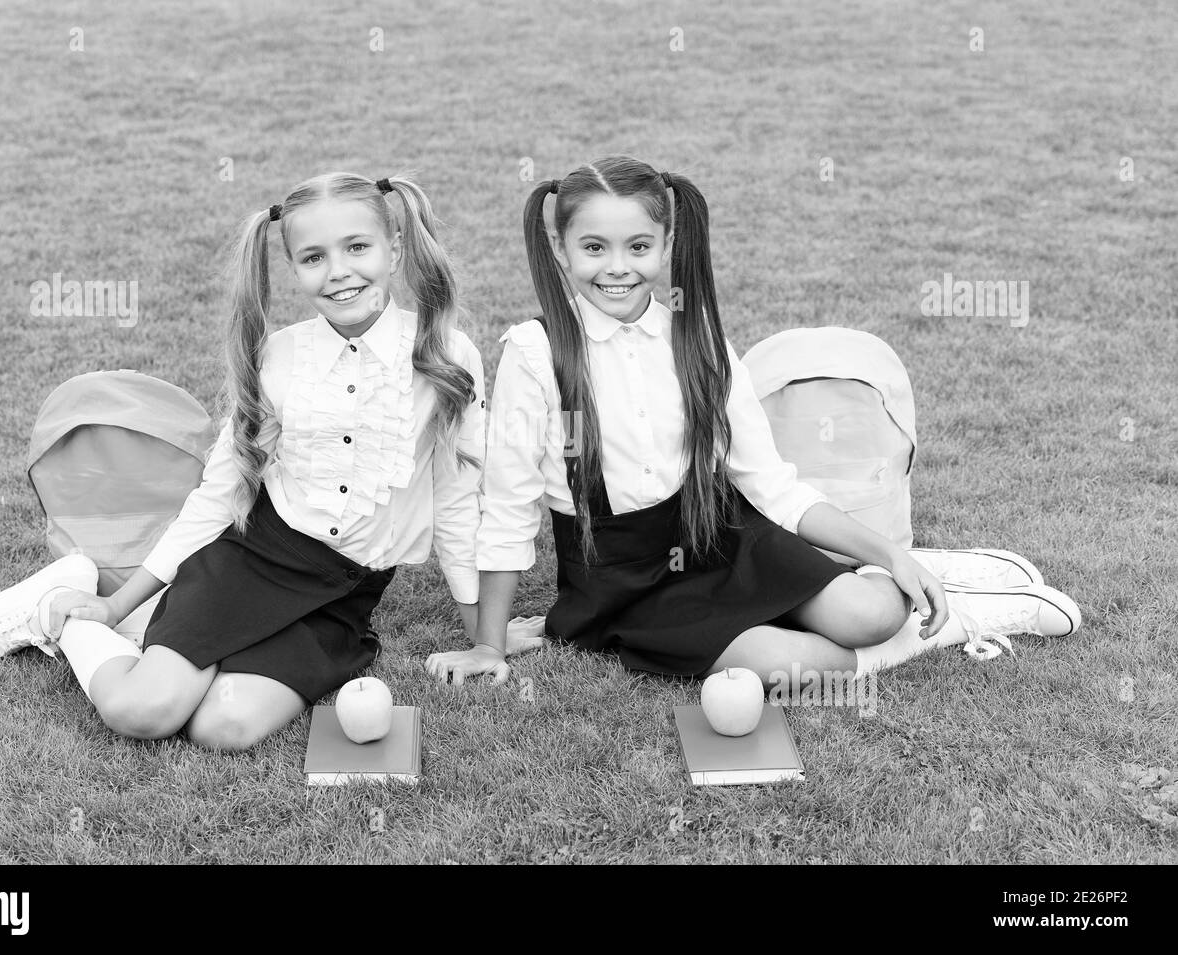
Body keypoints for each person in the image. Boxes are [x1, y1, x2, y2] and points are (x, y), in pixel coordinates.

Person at [425, 155, 1080, 689]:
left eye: (638, 245)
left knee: (871, 611)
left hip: (720, 536)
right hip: (623, 584)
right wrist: (489, 642)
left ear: (666, 245)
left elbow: (770, 484)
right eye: (594, 246)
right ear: (561, 249)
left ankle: (928, 571)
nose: (616, 265)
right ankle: (967, 617)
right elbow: (508, 508)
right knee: (778, 664)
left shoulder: (697, 337)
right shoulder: (534, 353)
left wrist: (887, 554)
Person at [2, 173, 486, 750]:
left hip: (344, 591)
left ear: (395, 248)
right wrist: (111, 605)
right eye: (313, 257)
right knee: (144, 712)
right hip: (253, 559)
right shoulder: (280, 356)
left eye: (357, 247)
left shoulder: (444, 354)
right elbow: (220, 492)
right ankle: (66, 616)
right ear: (293, 268)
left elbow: (458, 498)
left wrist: (485, 640)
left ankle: (165, 642)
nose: (338, 271)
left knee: (221, 728)